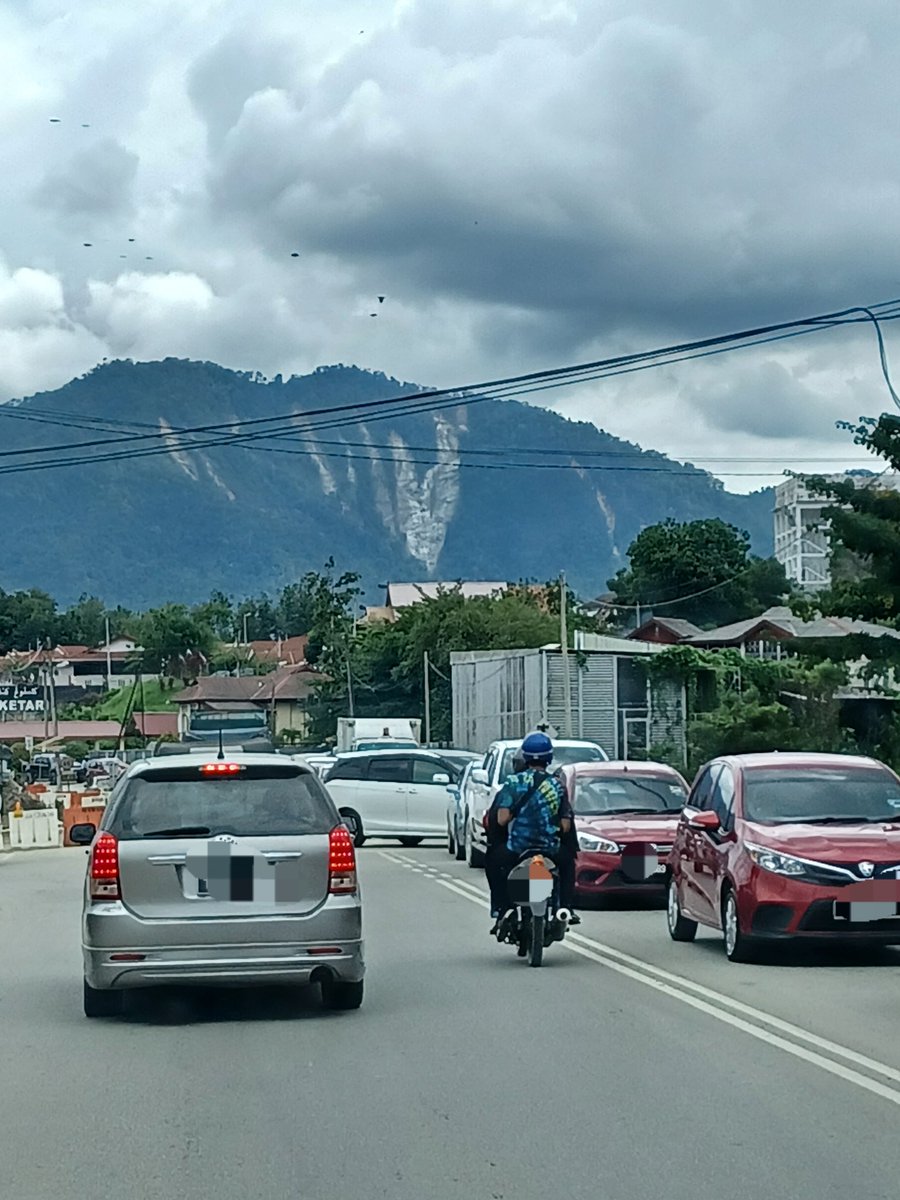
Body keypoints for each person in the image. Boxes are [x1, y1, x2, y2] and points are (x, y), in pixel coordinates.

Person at [484, 732, 576, 937]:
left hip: (517, 848)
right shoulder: (557, 785)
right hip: (550, 849)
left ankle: (502, 908)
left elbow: (501, 820)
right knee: (568, 864)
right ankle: (565, 908)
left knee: (493, 862)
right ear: (549, 758)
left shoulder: (513, 783)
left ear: (524, 758)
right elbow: (565, 826)